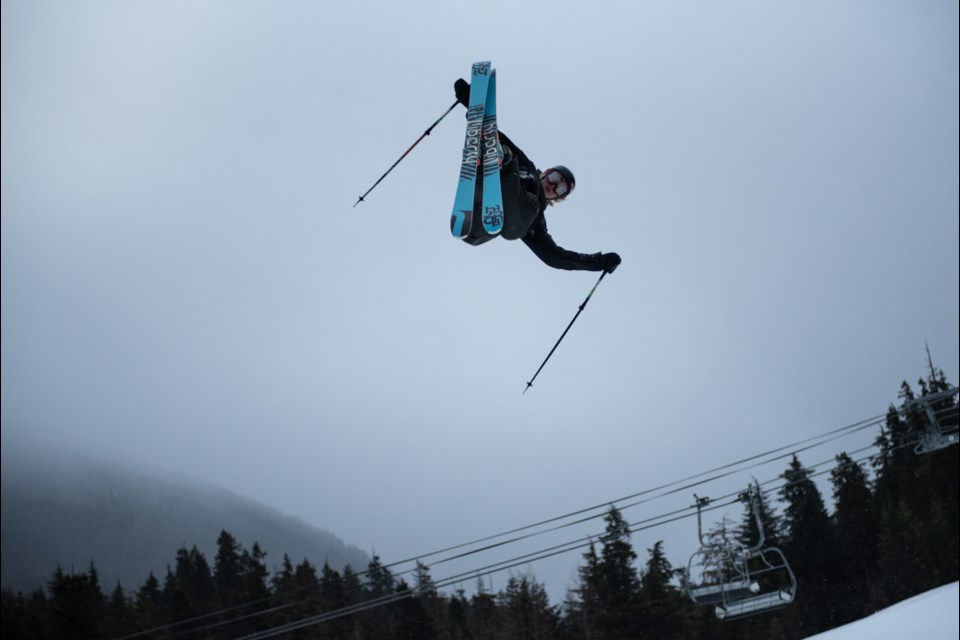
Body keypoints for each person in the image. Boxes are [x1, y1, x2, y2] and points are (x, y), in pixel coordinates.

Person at [455, 79, 621, 274]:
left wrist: (597, 262)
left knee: (530, 209)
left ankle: (499, 161)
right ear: (547, 172)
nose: (553, 185)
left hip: (490, 225)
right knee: (517, 164)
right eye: (554, 178)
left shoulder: (536, 222)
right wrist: (471, 103)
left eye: (560, 188)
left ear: (558, 198)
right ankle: (492, 157)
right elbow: (502, 136)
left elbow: (556, 257)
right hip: (477, 205)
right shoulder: (529, 169)